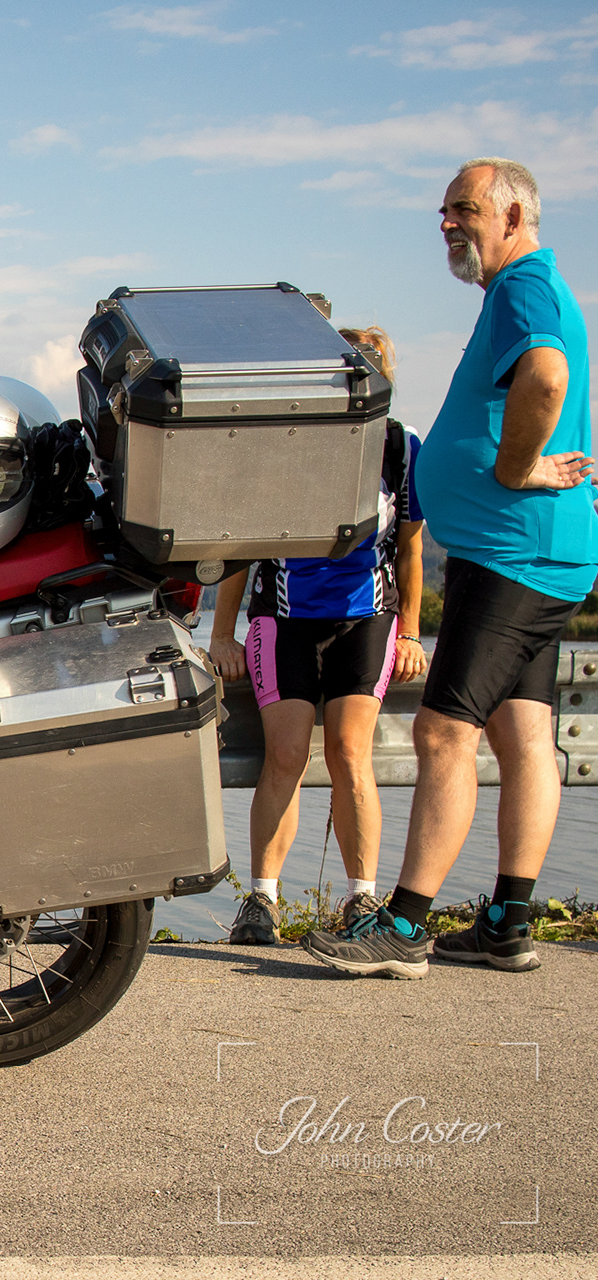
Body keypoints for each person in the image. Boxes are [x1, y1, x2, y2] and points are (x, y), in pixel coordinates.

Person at [303, 157, 597, 979]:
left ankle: (402, 929)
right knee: (525, 731)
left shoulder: (526, 287)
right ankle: (506, 922)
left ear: (513, 216)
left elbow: (546, 377)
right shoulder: (528, 289)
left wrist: (513, 469)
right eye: (443, 211)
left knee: (442, 732)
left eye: (463, 209)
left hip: (515, 552)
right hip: (530, 552)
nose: (447, 224)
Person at [208, 326, 428, 945]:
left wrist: (410, 631)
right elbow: (239, 547)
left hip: (366, 620)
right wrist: (221, 634)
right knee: (286, 756)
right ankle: (263, 902)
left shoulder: (400, 447)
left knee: (349, 754)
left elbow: (410, 552)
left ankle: (362, 901)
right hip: (283, 622)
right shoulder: (284, 442)